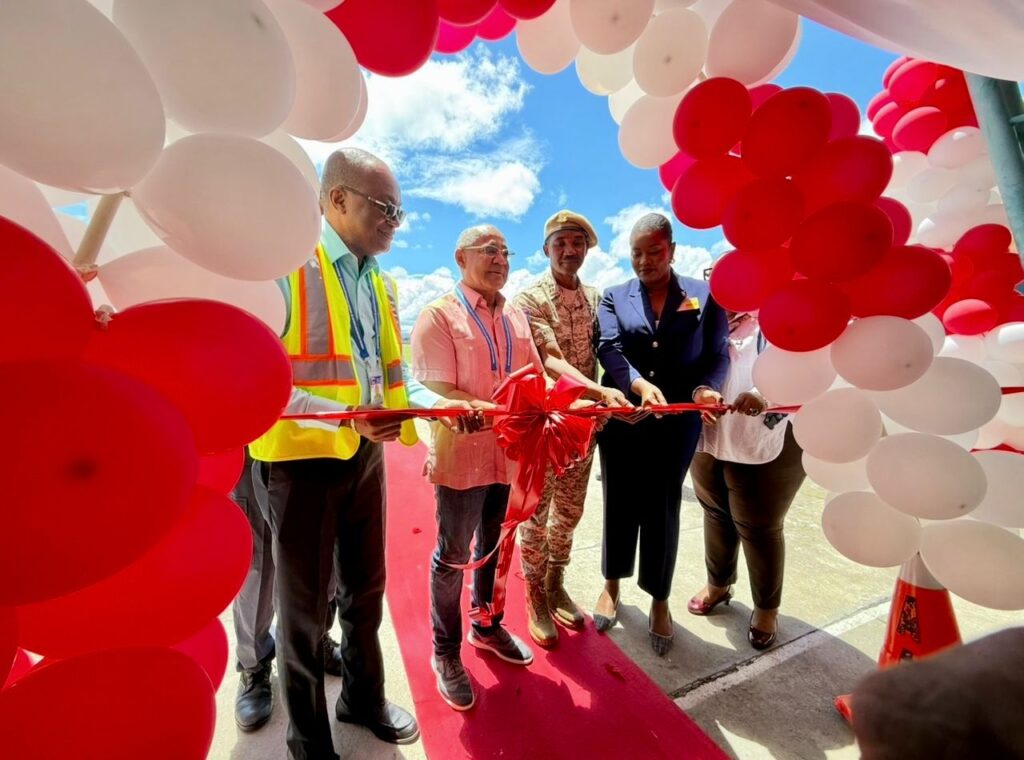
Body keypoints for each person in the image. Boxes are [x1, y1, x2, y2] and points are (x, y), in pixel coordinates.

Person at [248, 148, 474, 760]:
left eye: (399, 211)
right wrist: (348, 417)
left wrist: (445, 405)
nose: (395, 222)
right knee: (303, 615)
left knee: (365, 592)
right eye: (385, 208)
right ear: (337, 199)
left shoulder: (381, 282)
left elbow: (390, 377)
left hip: (365, 457)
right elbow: (257, 381)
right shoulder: (283, 270)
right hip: (299, 465)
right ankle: (309, 742)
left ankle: (362, 698)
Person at [411, 224, 542, 711]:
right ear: (460, 257)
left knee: (495, 546)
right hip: (462, 460)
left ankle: (486, 625)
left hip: (508, 457)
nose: (500, 259)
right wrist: (480, 407)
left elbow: (534, 378)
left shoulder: (517, 316)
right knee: (452, 556)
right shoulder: (439, 315)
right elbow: (436, 390)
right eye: (490, 250)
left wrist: (573, 402)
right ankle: (445, 652)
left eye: (506, 252)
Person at [592, 213, 729, 656]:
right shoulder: (613, 296)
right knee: (618, 501)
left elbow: (717, 354)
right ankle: (612, 584)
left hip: (676, 425)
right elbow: (608, 348)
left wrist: (706, 388)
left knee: (663, 508)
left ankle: (659, 599)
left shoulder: (703, 295)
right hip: (625, 418)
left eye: (654, 251)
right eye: (636, 253)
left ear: (671, 249)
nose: (644, 260)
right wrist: (635, 384)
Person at [512, 210, 629, 647]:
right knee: (536, 515)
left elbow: (613, 349)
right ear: (546, 249)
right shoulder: (530, 299)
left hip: (584, 431)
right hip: (545, 428)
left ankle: (555, 581)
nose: (569, 250)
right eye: (560, 242)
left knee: (570, 512)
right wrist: (598, 392)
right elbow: (550, 358)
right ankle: (535, 594)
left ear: (587, 250)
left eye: (577, 243)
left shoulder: (598, 299)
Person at [685, 310, 805, 649]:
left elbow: (806, 367)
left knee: (758, 524)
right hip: (710, 430)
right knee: (714, 510)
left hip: (768, 434)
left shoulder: (786, 314)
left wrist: (765, 394)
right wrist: (699, 390)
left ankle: (766, 607)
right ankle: (718, 584)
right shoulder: (710, 317)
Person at [231, 453, 344, 732]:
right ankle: (254, 664)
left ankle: (317, 636)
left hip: (310, 446)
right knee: (257, 566)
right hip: (251, 450)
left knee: (315, 551)